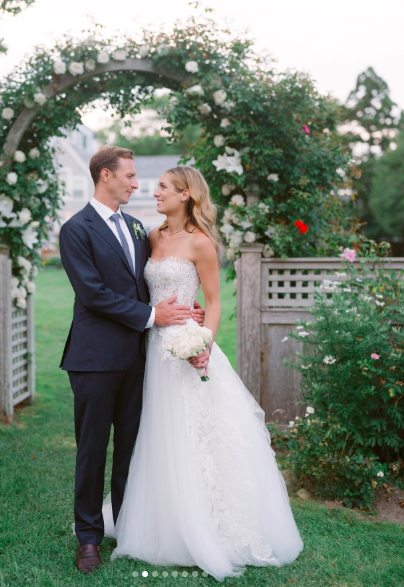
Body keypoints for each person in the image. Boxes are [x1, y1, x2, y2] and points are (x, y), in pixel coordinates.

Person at [102, 166, 304, 581]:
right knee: (156, 433)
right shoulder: (150, 237)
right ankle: (157, 517)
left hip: (186, 351)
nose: (152, 192)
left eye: (162, 188)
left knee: (197, 437)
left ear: (187, 194)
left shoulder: (202, 243)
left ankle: (208, 523)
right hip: (150, 351)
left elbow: (212, 303)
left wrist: (203, 345)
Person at [59, 146, 205, 575]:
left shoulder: (138, 227)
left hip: (140, 359)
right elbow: (93, 294)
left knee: (130, 449)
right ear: (106, 176)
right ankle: (88, 537)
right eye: (130, 176)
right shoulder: (76, 229)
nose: (136, 184)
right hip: (93, 359)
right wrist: (152, 316)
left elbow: (151, 284)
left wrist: (183, 312)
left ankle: (127, 526)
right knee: (92, 451)